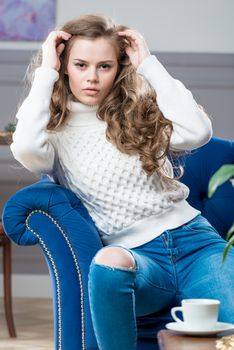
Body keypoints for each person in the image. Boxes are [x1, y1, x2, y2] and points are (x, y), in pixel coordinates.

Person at [10, 14, 234, 350]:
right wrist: (46, 69)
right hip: (140, 261)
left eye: (105, 66)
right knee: (107, 262)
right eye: (81, 65)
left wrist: (148, 63)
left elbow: (199, 132)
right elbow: (26, 147)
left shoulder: (137, 110)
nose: (92, 77)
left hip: (197, 244)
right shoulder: (54, 134)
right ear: (64, 66)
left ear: (119, 67)